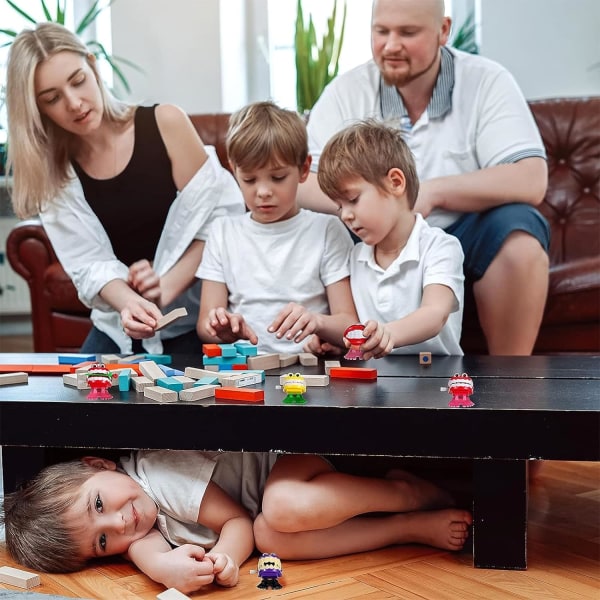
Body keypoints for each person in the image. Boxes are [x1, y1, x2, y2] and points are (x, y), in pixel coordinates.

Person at [298, 0, 550, 356]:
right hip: (376, 237)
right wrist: (366, 205)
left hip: (464, 229)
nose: (390, 45)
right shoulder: (346, 91)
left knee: (519, 233)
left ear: (443, 31)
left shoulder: (487, 81)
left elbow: (530, 178)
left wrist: (433, 193)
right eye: (381, 31)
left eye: (408, 32)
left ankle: (511, 377)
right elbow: (303, 183)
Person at [5, 22, 245, 355]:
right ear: (37, 109)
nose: (74, 103)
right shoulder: (52, 173)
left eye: (78, 81)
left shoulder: (167, 124)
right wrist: (129, 302)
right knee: (77, 404)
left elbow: (223, 221)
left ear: (92, 64)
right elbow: (88, 265)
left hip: (193, 323)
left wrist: (167, 286)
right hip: (119, 327)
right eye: (53, 98)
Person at [0, 450, 472, 593]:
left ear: (100, 465)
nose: (122, 523)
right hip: (277, 509)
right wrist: (167, 571)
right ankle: (408, 527)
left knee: (276, 514)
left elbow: (237, 522)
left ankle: (403, 493)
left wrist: (224, 557)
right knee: (273, 534)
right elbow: (144, 549)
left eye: (100, 505)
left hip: (286, 464)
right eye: (102, 542)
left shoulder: (155, 476)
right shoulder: (134, 526)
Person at [196, 101, 358, 354]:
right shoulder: (223, 232)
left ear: (304, 169)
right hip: (245, 368)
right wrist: (221, 328)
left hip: (309, 368)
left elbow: (349, 325)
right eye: (249, 179)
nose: (263, 192)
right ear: (234, 170)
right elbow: (206, 325)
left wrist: (319, 323)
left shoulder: (327, 230)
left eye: (278, 177)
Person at [308, 120, 464, 360]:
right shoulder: (355, 256)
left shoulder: (440, 247)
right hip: (377, 381)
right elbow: (357, 326)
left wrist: (387, 334)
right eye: (339, 206)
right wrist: (341, 341)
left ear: (395, 183)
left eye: (353, 199)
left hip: (436, 376)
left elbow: (435, 314)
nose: (345, 215)